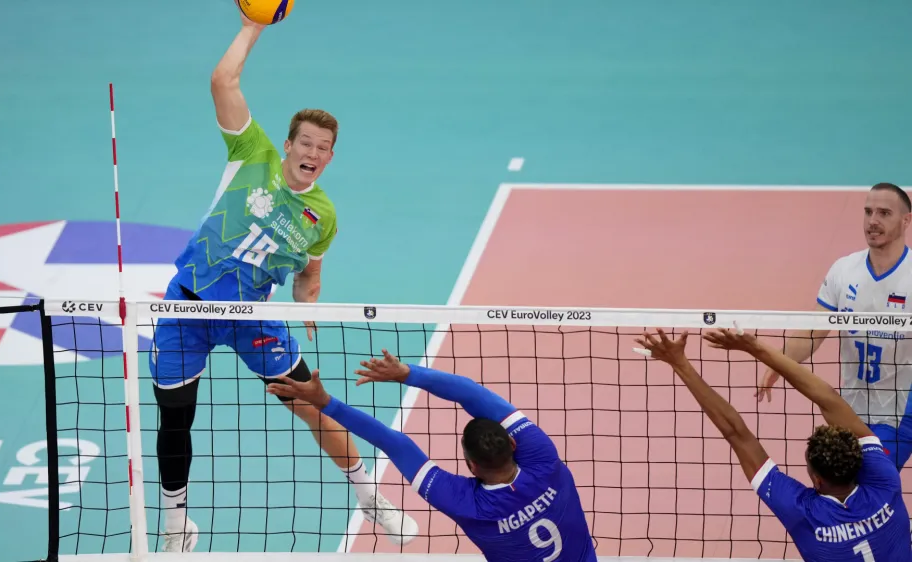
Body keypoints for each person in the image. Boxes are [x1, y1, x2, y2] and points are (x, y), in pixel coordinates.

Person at [148, 12, 415, 552]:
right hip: (188, 309)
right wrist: (254, 25)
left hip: (255, 319)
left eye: (324, 148)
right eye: (306, 143)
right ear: (289, 144)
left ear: (330, 157)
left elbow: (309, 275)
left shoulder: (323, 215)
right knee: (176, 419)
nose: (313, 154)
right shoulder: (253, 153)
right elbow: (223, 81)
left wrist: (306, 307)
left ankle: (368, 497)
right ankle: (177, 522)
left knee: (312, 403)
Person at [266, 349, 598, 562]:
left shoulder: (467, 503)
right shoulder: (544, 461)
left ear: (470, 465)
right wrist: (408, 374)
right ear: (513, 444)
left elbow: (394, 444)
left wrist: (326, 402)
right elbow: (472, 393)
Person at [636, 327, 911, 561]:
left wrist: (680, 363)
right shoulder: (885, 480)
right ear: (859, 462)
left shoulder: (802, 512)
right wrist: (755, 347)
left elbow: (736, 432)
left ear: (816, 481)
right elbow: (828, 398)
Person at [756, 182, 912, 467]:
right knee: (838, 481)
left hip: (899, 411)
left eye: (884, 213)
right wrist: (778, 362)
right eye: (868, 212)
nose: (873, 221)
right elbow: (814, 332)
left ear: (906, 220)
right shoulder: (844, 271)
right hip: (848, 407)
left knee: (870, 480)